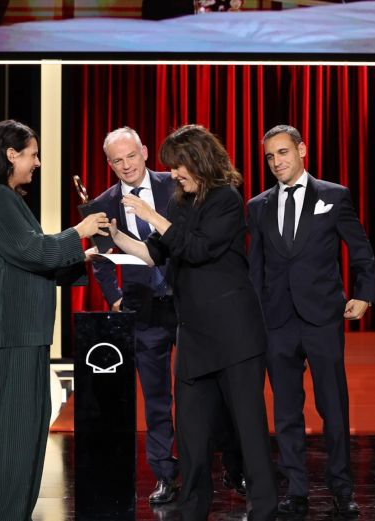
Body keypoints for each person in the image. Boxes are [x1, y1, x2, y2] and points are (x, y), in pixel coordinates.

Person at [109, 124, 277, 521]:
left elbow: (198, 249)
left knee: (248, 431)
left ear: (198, 161)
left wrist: (151, 214)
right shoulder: (180, 202)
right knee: (192, 435)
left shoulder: (227, 200)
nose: (175, 174)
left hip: (235, 335)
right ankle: (192, 510)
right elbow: (155, 253)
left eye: (179, 166)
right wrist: (114, 237)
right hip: (195, 335)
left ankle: (265, 509)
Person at [0, 119, 108, 520]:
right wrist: (77, 232)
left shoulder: (7, 198)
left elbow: (28, 260)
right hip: (9, 331)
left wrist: (80, 258)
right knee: (15, 434)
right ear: (10, 155)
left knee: (29, 428)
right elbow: (31, 252)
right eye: (32, 154)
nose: (38, 163)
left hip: (22, 331)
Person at [247, 124, 375, 518]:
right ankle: (297, 489)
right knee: (286, 411)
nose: (276, 162)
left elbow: (361, 250)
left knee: (332, 407)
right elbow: (256, 269)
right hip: (277, 322)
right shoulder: (258, 206)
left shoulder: (333, 196)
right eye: (270, 156)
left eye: (283, 153)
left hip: (322, 318)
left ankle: (342, 488)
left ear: (302, 150)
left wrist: (364, 293)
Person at [90, 127, 180, 505]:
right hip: (142, 309)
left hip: (187, 303)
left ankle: (220, 466)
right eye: (117, 161)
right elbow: (100, 259)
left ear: (144, 151)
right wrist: (113, 298)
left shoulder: (175, 184)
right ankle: (165, 473)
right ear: (109, 164)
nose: (126, 166)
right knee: (156, 396)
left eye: (131, 156)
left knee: (201, 391)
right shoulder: (103, 203)